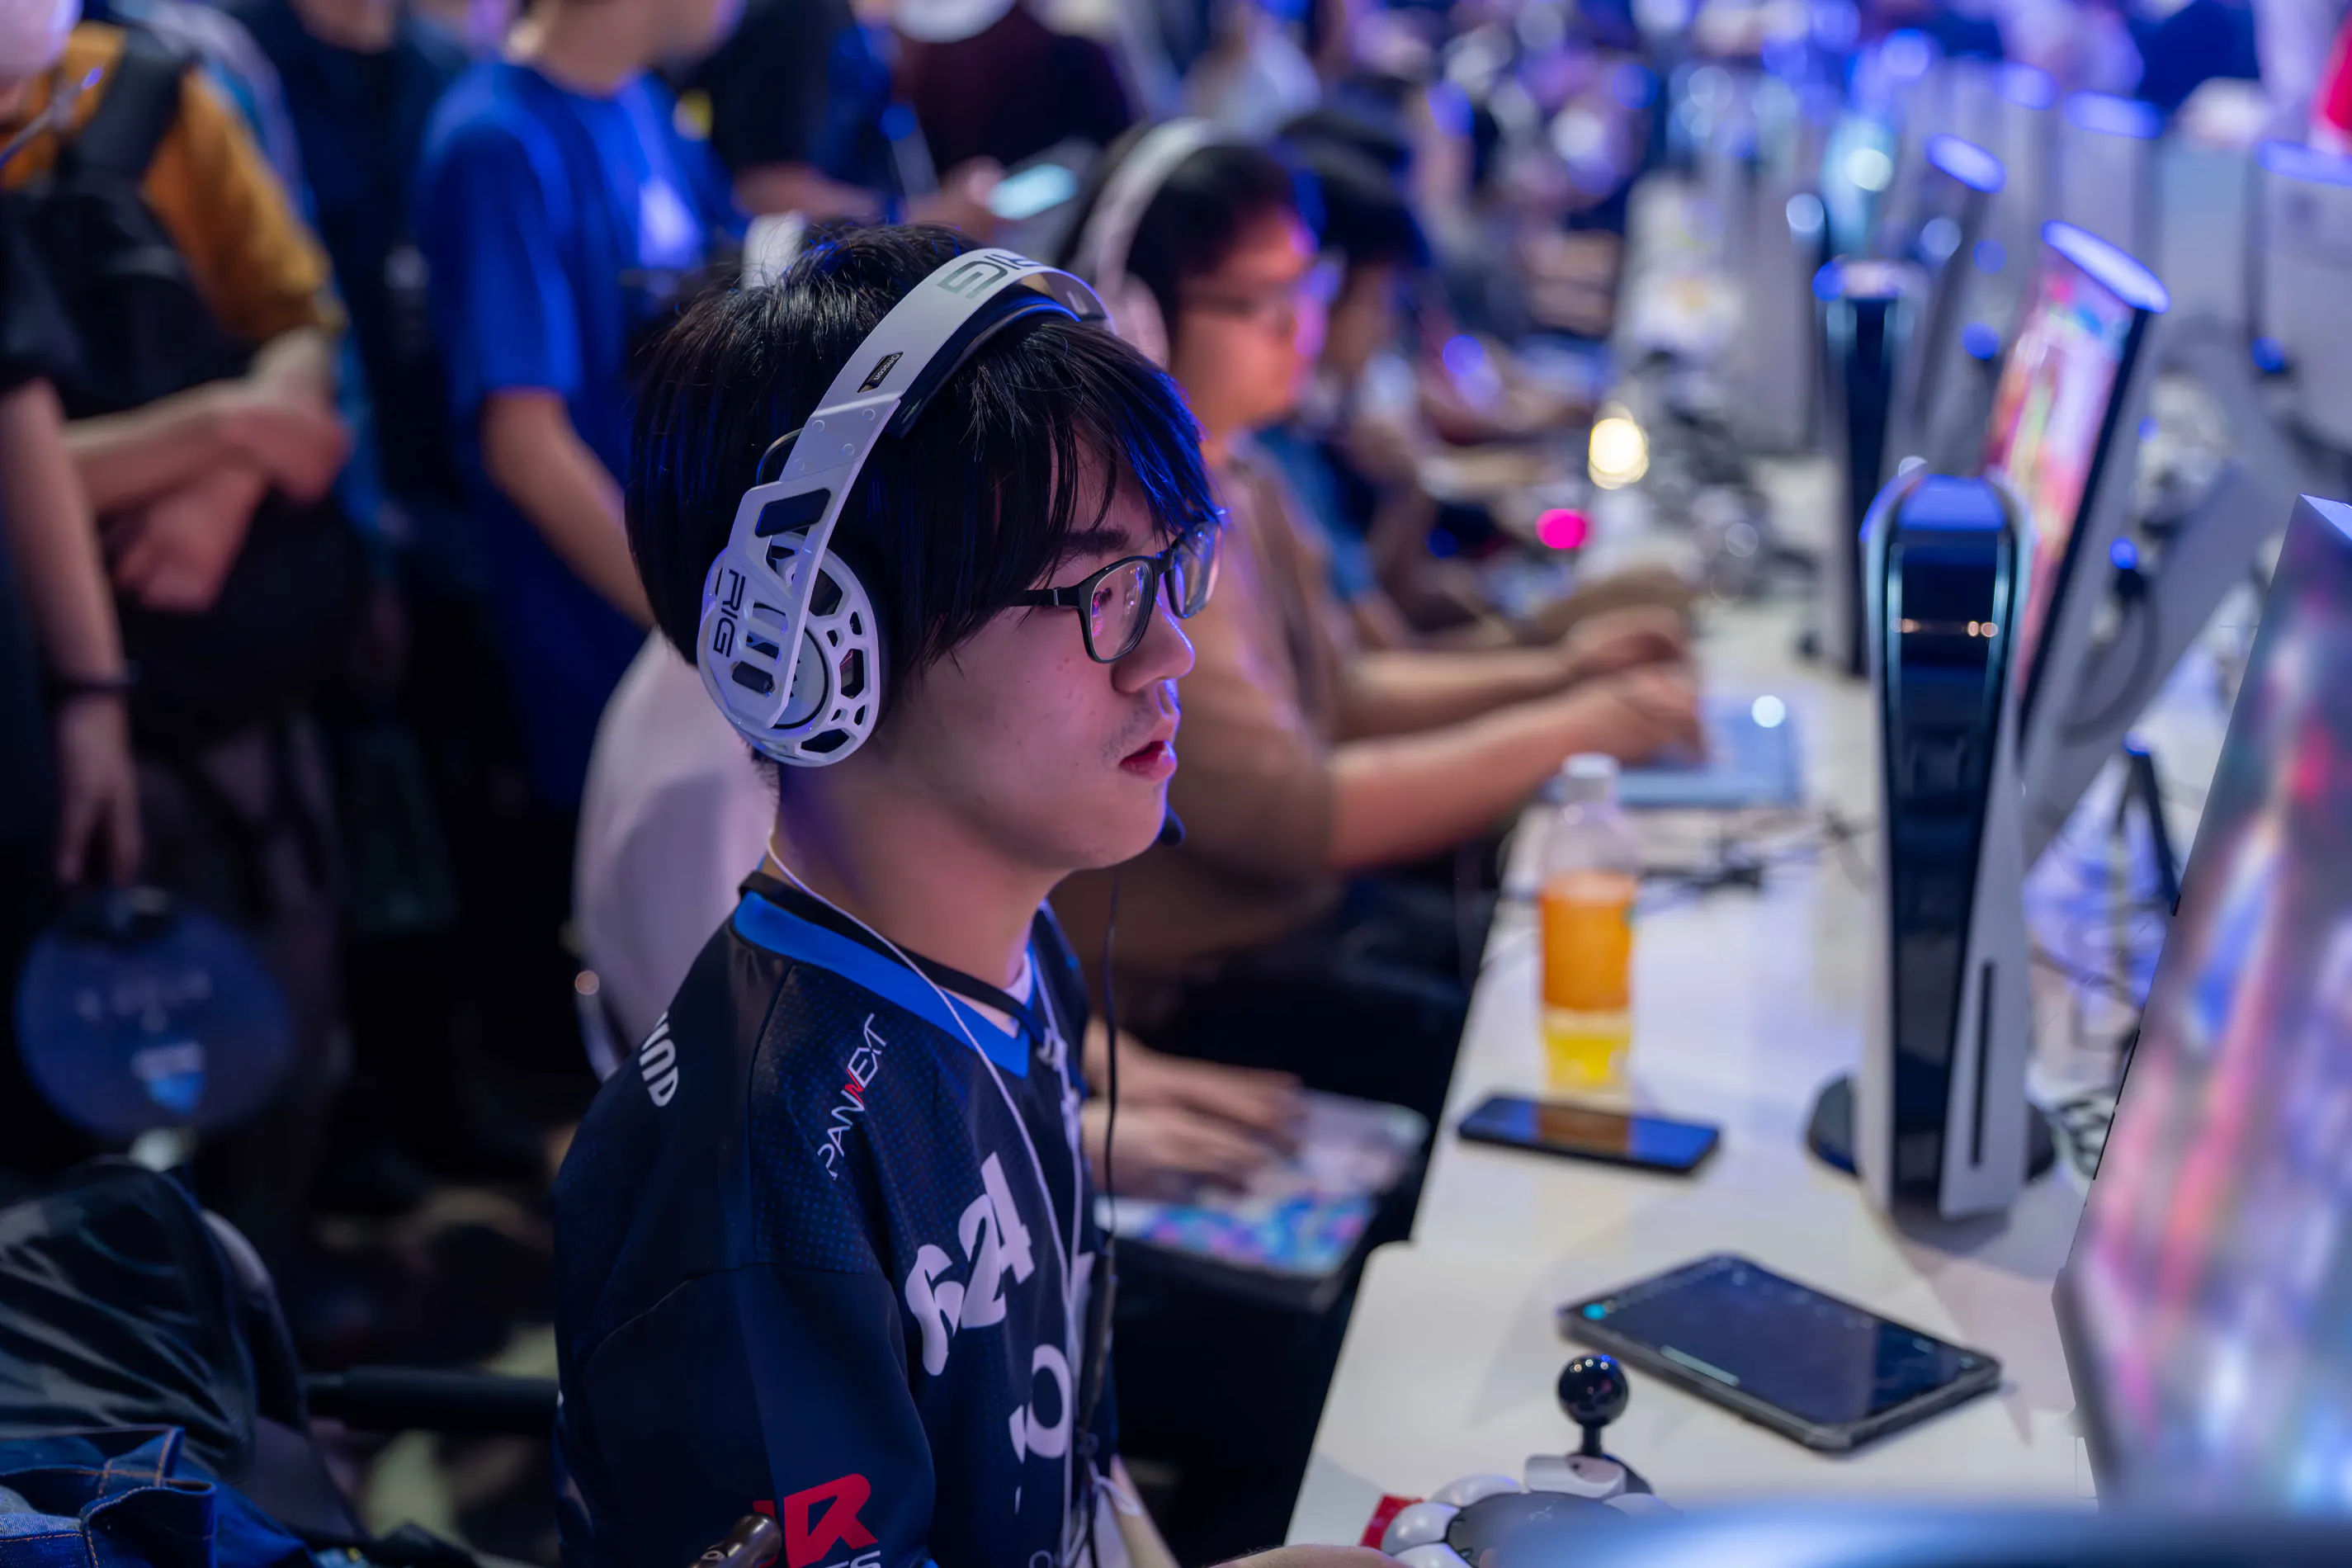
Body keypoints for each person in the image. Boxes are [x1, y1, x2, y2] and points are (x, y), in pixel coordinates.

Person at [555, 222, 1381, 1568]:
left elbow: (1072, 1468)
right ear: (818, 646)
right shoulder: (761, 1195)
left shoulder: (1005, 949)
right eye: (1100, 588)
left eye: (1171, 566)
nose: (1169, 648)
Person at [1052, 135, 1698, 1121]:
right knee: (1499, 1031)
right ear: (1133, 316)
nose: (1300, 329)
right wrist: (1580, 719)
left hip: (1290, 924)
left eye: (1307, 288)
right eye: (1259, 301)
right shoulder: (1141, 541)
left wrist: (1566, 671)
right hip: (1195, 986)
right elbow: (1293, 820)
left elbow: (1350, 686)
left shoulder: (1244, 471)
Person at [575, 632, 1302, 1198]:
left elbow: (935, 958)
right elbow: (756, 1116)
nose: (1169, 652)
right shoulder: (703, 788)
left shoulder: (845, 691)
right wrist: (1069, 1138)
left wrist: (1115, 1070)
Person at [413, 0, 744, 1091]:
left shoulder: (643, 105)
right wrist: (706, 622)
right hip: (583, 641)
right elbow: (524, 442)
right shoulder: (496, 143)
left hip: (671, 629)